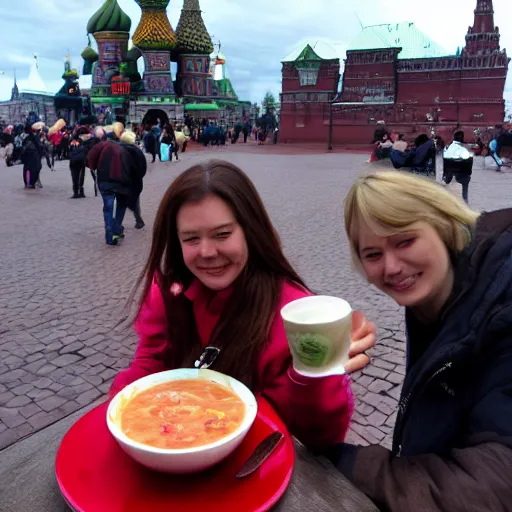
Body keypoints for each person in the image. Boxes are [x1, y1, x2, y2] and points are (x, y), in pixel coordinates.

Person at [110, 160, 377, 450]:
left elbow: (320, 435)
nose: (207, 252)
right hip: (170, 447)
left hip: (254, 462)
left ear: (250, 230)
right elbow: (150, 363)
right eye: (191, 238)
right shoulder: (168, 292)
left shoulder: (294, 316)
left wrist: (316, 374)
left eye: (223, 234)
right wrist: (115, 419)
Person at [328, 171, 512, 510]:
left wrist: (341, 465)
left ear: (443, 226)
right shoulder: (439, 296)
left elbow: (497, 480)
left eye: (404, 241)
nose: (392, 267)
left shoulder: (503, 305)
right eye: (372, 255)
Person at [87, 138, 132, 246]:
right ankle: (116, 229)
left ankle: (110, 236)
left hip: (104, 181)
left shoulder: (101, 146)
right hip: (121, 181)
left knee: (108, 208)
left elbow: (90, 159)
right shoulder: (123, 149)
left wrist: (94, 167)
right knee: (121, 205)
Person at [119, 130, 147, 230]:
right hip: (135, 181)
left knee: (120, 202)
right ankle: (138, 220)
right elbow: (143, 167)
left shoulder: (119, 150)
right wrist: (139, 177)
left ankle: (119, 223)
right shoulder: (137, 151)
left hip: (123, 180)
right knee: (135, 201)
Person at [443, 130, 474, 203]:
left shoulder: (447, 148)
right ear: (462, 138)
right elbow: (468, 159)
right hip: (461, 175)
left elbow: (445, 161)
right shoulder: (463, 150)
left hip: (449, 174)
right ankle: (465, 199)